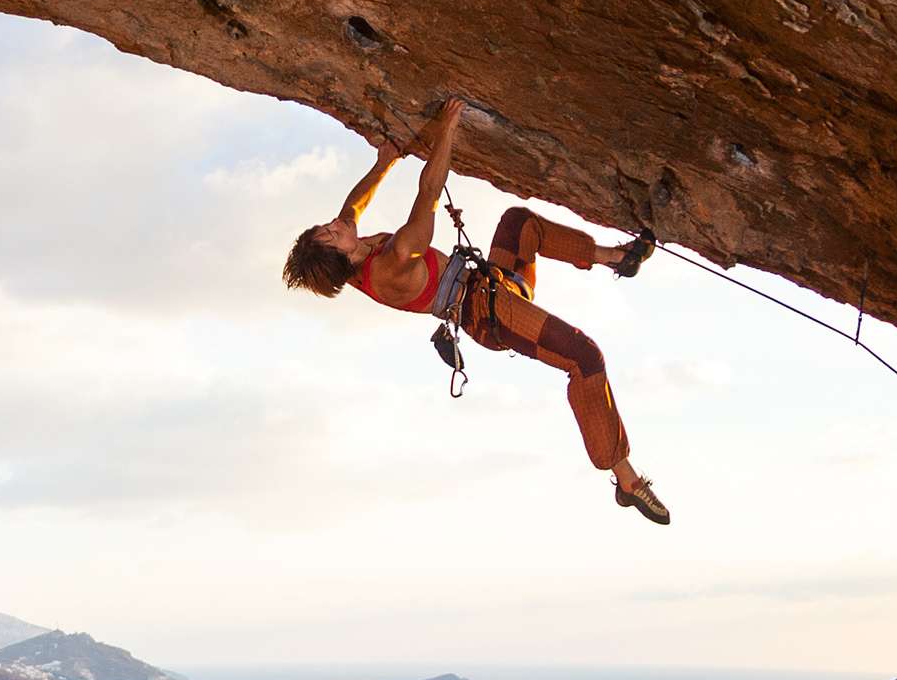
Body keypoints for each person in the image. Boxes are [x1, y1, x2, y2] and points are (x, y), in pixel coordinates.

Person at [283, 96, 670, 525]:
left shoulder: (352, 251)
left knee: (519, 222)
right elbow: (428, 194)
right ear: (339, 257)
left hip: (497, 282)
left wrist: (385, 161)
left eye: (328, 227)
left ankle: (617, 258)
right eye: (331, 235)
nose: (336, 226)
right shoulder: (389, 264)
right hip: (490, 314)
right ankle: (625, 478)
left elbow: (351, 206)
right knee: (585, 357)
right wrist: (447, 127)